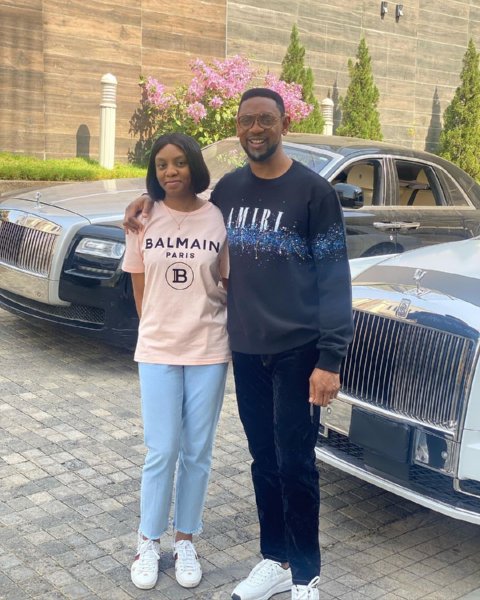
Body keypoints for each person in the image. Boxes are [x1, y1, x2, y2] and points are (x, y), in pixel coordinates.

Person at [123, 89, 353, 600]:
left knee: (296, 463)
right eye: (246, 120)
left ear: (283, 124)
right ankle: (273, 560)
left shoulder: (315, 192)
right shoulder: (229, 189)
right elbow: (188, 210)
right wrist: (146, 201)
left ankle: (305, 576)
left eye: (265, 120)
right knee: (263, 461)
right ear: (238, 127)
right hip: (246, 350)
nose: (255, 129)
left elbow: (336, 278)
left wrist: (330, 357)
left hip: (299, 351)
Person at [122, 132, 230, 591]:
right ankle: (148, 540)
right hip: (159, 350)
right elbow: (140, 283)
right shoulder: (144, 217)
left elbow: (226, 282)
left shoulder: (217, 218)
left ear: (195, 167)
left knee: (197, 453)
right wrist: (156, 327)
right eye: (162, 164)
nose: (171, 171)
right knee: (161, 450)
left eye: (180, 163)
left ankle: (185, 539)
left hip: (209, 348)